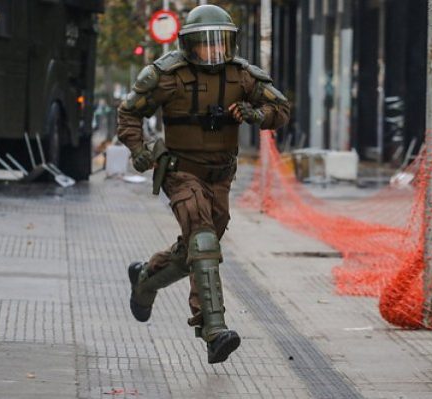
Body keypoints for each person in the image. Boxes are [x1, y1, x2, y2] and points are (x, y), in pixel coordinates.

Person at [117, 4, 290, 364]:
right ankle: (213, 331)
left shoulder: (242, 76)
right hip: (180, 170)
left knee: (195, 252)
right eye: (203, 43)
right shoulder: (165, 75)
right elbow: (129, 112)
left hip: (221, 175)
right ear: (187, 45)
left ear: (231, 43)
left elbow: (282, 109)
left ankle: (146, 280)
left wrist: (256, 114)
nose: (212, 51)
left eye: (219, 42)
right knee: (204, 239)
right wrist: (139, 149)